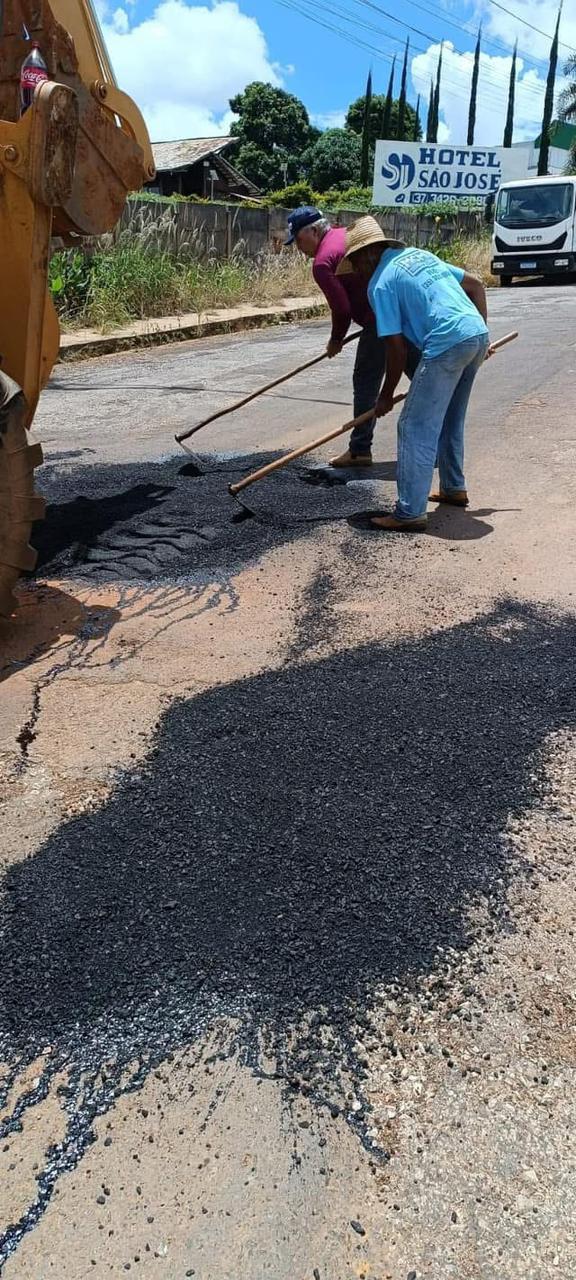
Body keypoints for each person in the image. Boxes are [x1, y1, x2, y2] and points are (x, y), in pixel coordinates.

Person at [336, 216, 489, 532]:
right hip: (475, 333)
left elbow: (396, 349)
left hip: (446, 341)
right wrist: (480, 335)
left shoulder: (381, 283)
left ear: (366, 255)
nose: (358, 274)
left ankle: (409, 512)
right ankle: (453, 487)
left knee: (414, 424)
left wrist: (385, 396)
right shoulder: (420, 256)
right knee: (449, 417)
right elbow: (475, 284)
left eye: (356, 264)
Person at [285, 205, 420, 467]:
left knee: (366, 382)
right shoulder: (342, 236)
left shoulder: (323, 262)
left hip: (377, 320)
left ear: (313, 230)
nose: (299, 248)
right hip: (400, 312)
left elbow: (342, 308)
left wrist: (336, 339)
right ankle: (442, 442)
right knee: (424, 374)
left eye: (299, 241)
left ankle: (359, 449)